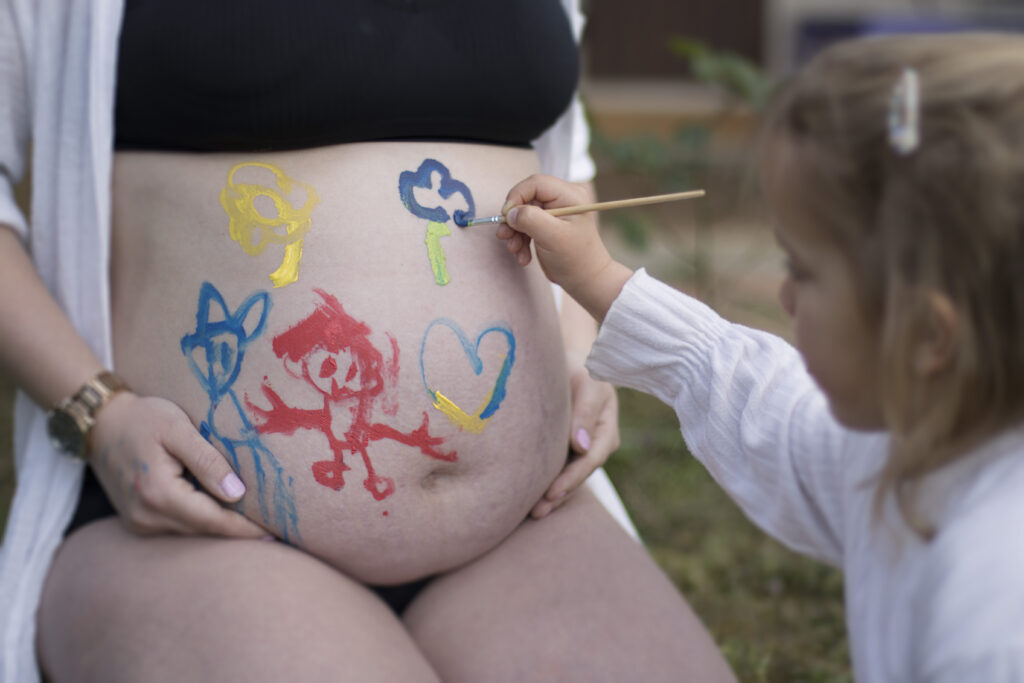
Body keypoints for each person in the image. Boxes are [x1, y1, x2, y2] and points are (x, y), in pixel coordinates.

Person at [0, 0, 737, 681]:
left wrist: (579, 350)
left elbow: (562, 170)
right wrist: (98, 412)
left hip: (523, 523)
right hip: (198, 524)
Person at [498, 32, 1024, 682]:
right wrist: (598, 277)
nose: (783, 294)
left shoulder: (994, 621)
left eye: (802, 270)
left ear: (925, 336)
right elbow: (764, 405)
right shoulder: (910, 451)